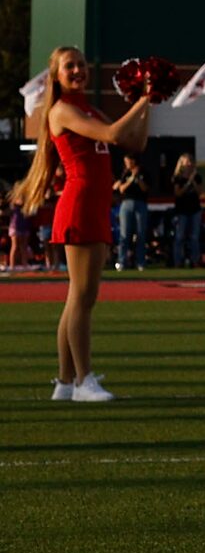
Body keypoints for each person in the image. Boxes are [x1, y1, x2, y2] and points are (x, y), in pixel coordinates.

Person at [15, 47, 153, 399]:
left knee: (78, 298)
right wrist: (144, 97)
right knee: (83, 298)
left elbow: (134, 140)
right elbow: (112, 136)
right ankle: (82, 380)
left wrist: (146, 102)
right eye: (69, 66)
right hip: (78, 206)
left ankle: (64, 382)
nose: (77, 70)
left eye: (80, 64)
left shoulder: (88, 109)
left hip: (95, 207)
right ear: (56, 75)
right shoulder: (62, 110)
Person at [111, 151, 150, 271]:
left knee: (140, 234)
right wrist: (131, 178)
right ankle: (122, 262)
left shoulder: (143, 172)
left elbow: (145, 189)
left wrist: (138, 178)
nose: (127, 163)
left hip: (140, 203)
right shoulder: (125, 173)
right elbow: (121, 188)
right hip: (126, 203)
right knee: (124, 234)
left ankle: (140, 262)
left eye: (128, 161)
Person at [168, 155, 204, 270]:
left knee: (194, 237)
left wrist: (193, 181)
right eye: (186, 162)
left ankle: (195, 261)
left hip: (195, 209)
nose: (188, 164)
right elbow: (178, 193)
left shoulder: (197, 177)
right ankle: (178, 262)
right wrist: (188, 183)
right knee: (179, 237)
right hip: (182, 210)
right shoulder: (177, 178)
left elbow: (199, 192)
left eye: (190, 162)